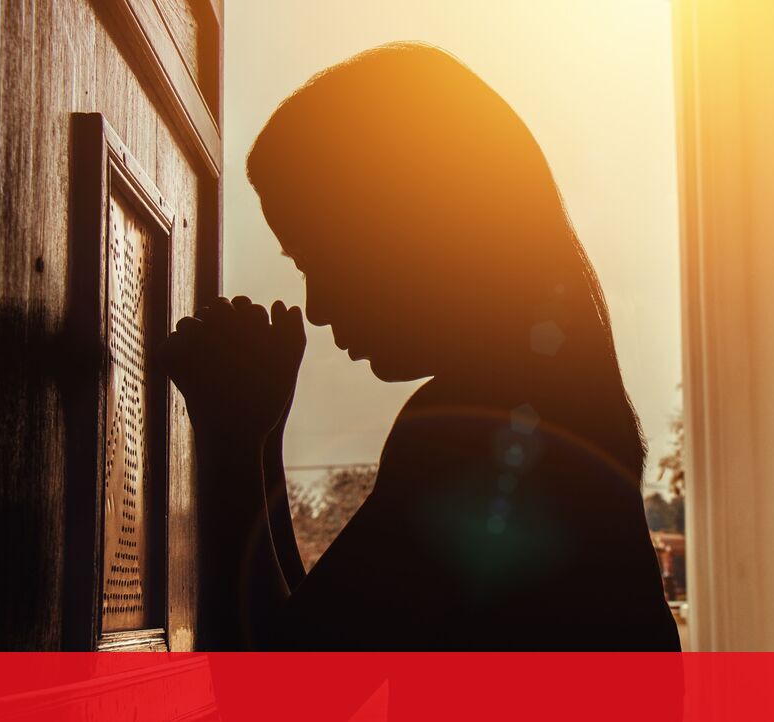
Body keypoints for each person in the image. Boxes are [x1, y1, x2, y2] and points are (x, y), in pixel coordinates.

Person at [163, 42, 680, 652]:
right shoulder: (554, 411)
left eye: (319, 259)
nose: (317, 307)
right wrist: (260, 436)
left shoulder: (471, 436)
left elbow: (273, 688)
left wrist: (228, 438)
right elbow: (312, 642)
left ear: (409, 232)